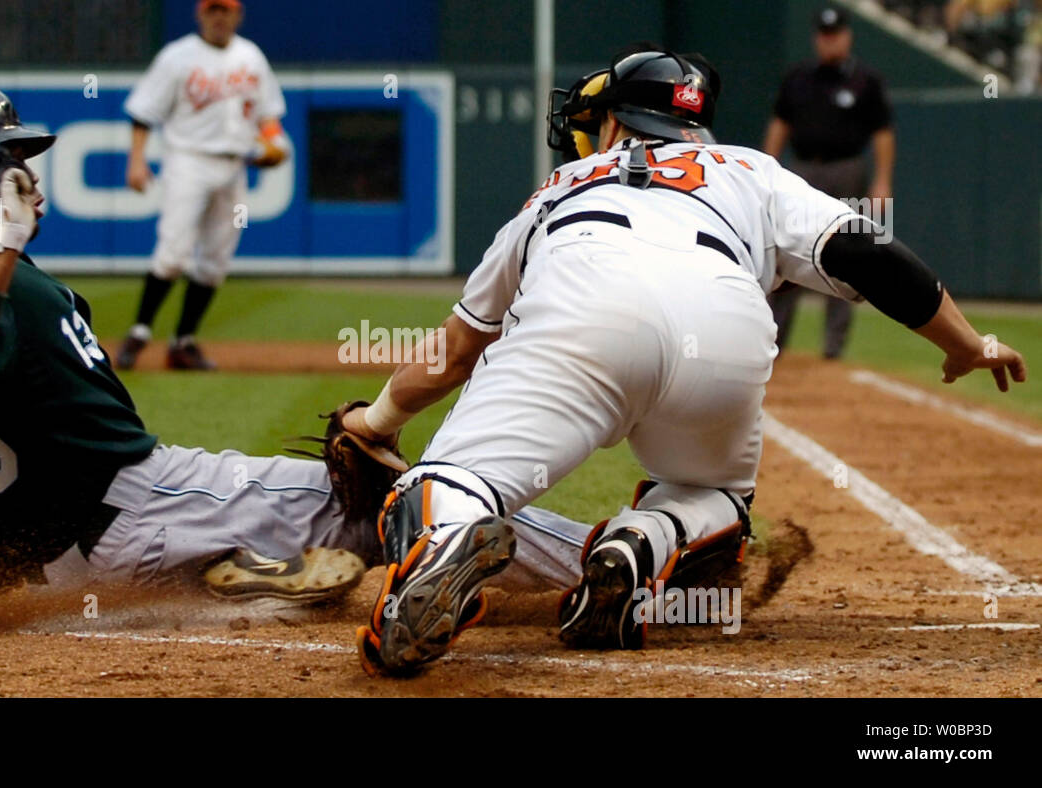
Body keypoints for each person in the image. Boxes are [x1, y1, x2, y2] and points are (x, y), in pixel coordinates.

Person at [340, 45, 1026, 676]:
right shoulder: (750, 169)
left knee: (448, 484)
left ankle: (446, 540)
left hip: (584, 319)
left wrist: (374, 421)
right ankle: (640, 546)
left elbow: (456, 351)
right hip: (725, 327)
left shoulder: (560, 184)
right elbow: (866, 255)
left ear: (615, 124)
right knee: (714, 495)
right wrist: (966, 343)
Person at [0, 85, 595, 603]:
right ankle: (624, 569)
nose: (31, 176)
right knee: (408, 501)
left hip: (77, 571)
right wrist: (3, 242)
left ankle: (245, 589)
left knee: (302, 546)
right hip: (147, 505)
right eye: (12, 158)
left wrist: (8, 574)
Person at [115, 0, 289, 371]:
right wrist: (136, 160)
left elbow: (268, 115)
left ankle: (183, 342)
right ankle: (139, 332)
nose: (219, 17)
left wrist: (274, 143)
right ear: (200, 14)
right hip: (188, 161)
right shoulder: (177, 57)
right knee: (173, 253)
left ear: (237, 15)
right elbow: (143, 112)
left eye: (225, 10)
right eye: (213, 10)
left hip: (236, 165)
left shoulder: (252, 56)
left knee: (214, 262)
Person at [763, 6, 895, 359]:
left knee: (850, 256)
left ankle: (833, 350)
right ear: (815, 38)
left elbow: (882, 133)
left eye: (835, 34)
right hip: (803, 171)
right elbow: (780, 123)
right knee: (787, 254)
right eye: (823, 35)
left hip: (847, 170)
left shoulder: (866, 80)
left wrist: (882, 181)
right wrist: (768, 168)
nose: (829, 41)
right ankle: (775, 344)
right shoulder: (798, 78)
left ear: (847, 36)